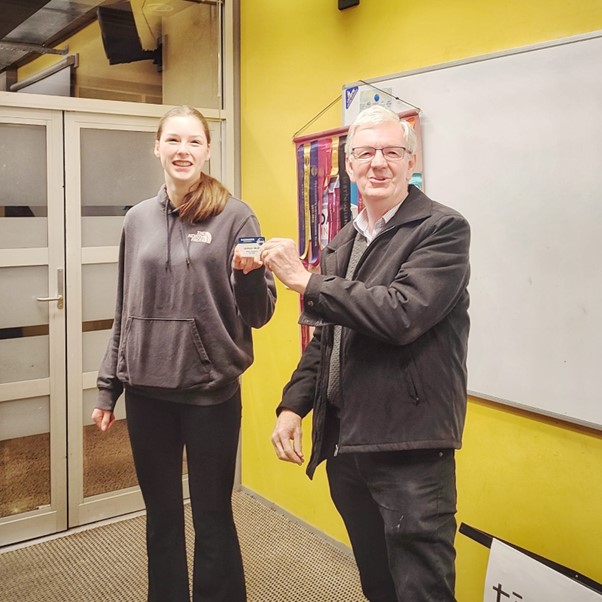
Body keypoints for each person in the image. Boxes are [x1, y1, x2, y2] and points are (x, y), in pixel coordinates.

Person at [263, 104, 470, 602]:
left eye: (392, 152)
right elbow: (329, 338)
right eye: (366, 153)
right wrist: (294, 405)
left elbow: (402, 314)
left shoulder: (441, 230)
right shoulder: (344, 241)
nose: (379, 163)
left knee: (422, 587)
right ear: (350, 166)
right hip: (346, 444)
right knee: (377, 583)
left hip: (409, 448)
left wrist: (307, 281)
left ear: (410, 161)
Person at [92, 105, 276, 602]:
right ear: (157, 147)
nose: (182, 151)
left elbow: (260, 315)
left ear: (208, 150)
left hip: (210, 394)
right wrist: (109, 387)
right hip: (147, 394)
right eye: (173, 141)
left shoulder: (236, 215)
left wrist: (249, 273)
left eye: (193, 141)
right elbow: (123, 310)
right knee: (162, 518)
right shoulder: (137, 220)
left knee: (213, 516)